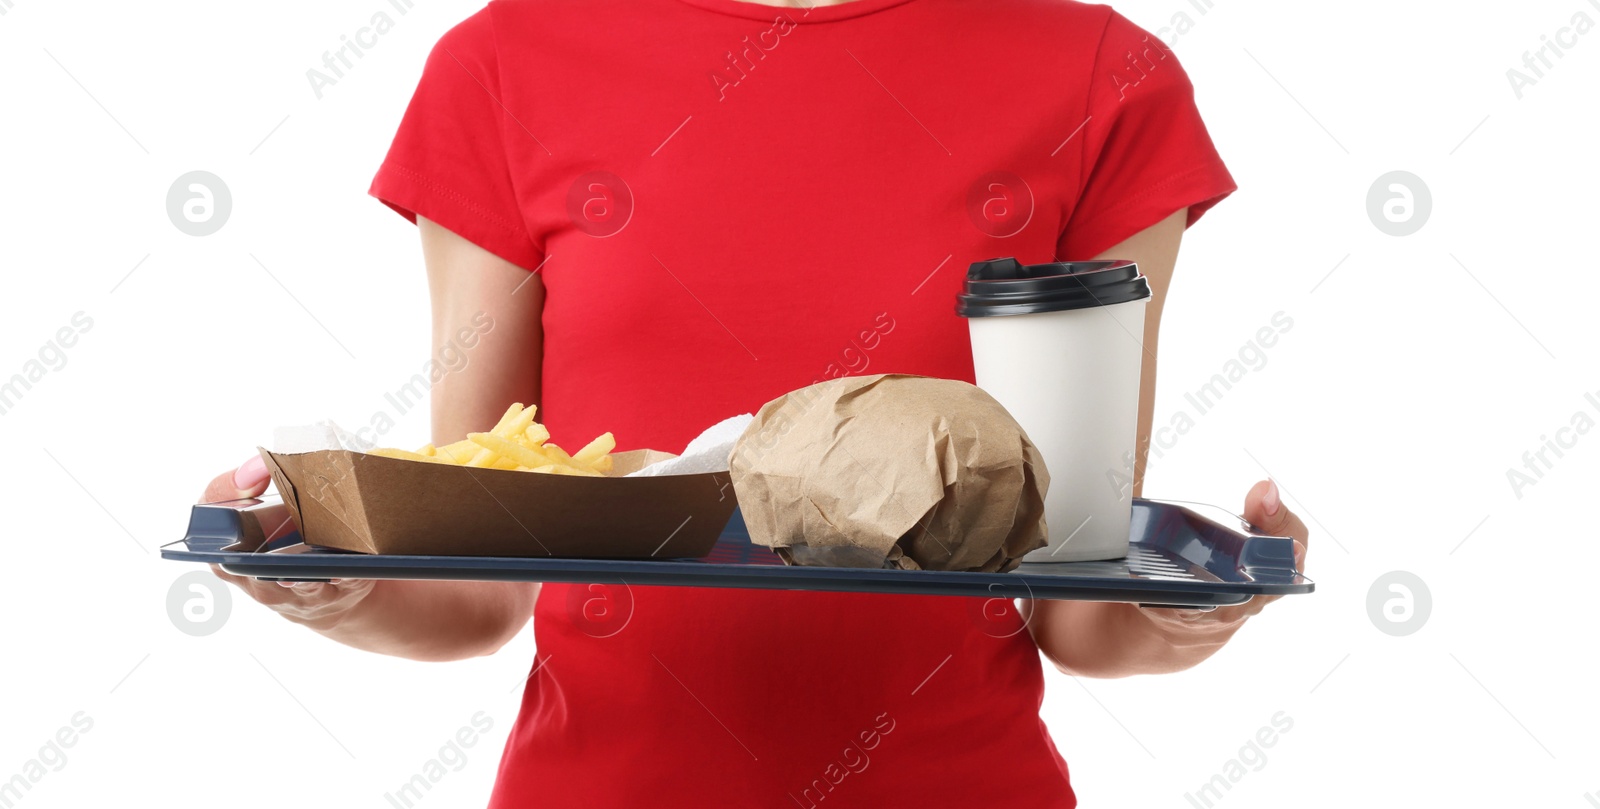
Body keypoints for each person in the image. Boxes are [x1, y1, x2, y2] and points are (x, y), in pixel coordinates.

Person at [203, 0, 1311, 804]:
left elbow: (1079, 600)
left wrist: (1184, 613)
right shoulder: (502, 63)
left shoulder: (1103, 79)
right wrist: (334, 585)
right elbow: (479, 564)